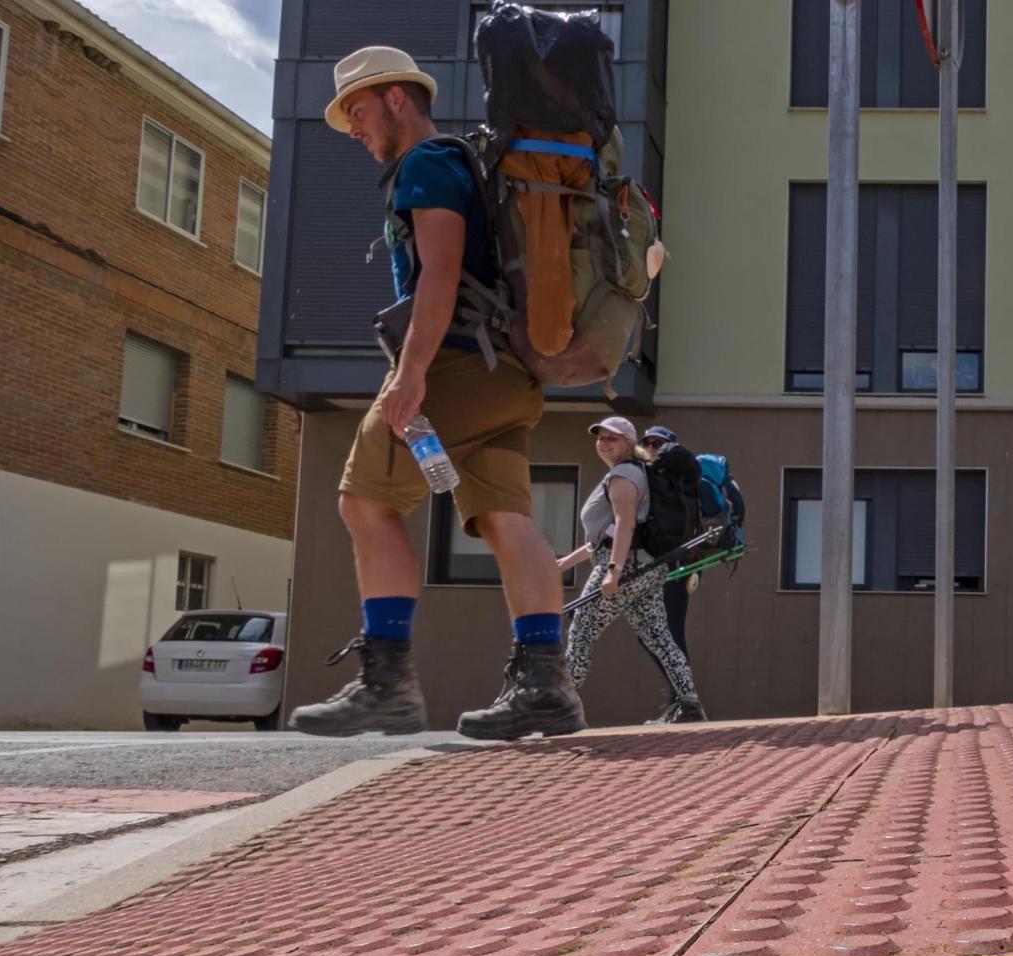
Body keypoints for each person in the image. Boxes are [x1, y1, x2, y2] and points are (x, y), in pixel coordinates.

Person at [289, 47, 584, 740]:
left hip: (453, 367)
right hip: (507, 378)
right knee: (509, 521)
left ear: (397, 98)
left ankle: (387, 683)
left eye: (357, 111)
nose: (353, 129)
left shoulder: (425, 165)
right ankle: (546, 686)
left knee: (362, 500)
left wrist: (411, 371)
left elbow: (441, 270)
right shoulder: (465, 165)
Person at [557, 416, 707, 724]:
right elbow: (608, 535)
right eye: (600, 437)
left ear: (628, 443)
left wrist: (613, 571)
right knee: (659, 636)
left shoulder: (623, 476)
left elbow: (625, 525)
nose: (604, 442)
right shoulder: (636, 473)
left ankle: (562, 709)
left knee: (582, 628)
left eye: (612, 438)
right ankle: (690, 704)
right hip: (648, 568)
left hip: (626, 568)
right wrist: (562, 564)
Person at [636, 426, 696, 680]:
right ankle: (682, 697)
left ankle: (683, 699)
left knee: (668, 633)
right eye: (648, 443)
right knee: (656, 633)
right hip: (661, 564)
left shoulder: (670, 479)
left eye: (658, 444)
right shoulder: (664, 479)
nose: (651, 448)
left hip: (673, 564)